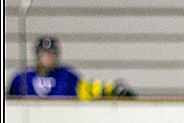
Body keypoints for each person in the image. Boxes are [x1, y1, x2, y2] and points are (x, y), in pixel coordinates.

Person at [6, 37, 134, 99]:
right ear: (37, 54)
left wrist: (110, 89)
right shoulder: (21, 78)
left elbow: (87, 88)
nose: (49, 57)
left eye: (53, 53)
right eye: (45, 53)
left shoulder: (66, 76)